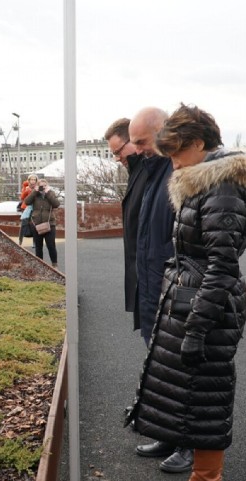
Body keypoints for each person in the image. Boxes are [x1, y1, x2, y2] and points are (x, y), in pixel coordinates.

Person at [129, 103, 246, 481]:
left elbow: (222, 266)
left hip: (206, 312)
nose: (172, 162)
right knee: (195, 404)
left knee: (204, 407)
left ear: (198, 144)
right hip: (195, 305)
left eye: (176, 153)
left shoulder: (223, 187)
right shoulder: (205, 182)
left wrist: (196, 327)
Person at [125, 108, 191, 474]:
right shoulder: (154, 171)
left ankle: (189, 442)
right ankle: (169, 432)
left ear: (163, 133)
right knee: (161, 369)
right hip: (154, 289)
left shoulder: (181, 174)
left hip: (175, 292)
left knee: (183, 371)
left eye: (141, 142)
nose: (136, 149)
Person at [104, 118, 143, 329]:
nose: (118, 158)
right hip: (143, 277)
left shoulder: (149, 172)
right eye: (114, 154)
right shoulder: (136, 173)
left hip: (151, 279)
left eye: (119, 151)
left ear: (133, 140)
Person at [24, 178, 60, 267]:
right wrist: (34, 192)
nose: (42, 188)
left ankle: (54, 264)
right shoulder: (35, 194)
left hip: (49, 223)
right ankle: (40, 265)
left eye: (44, 186)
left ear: (47, 186)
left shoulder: (50, 193)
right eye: (41, 186)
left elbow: (56, 204)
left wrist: (47, 193)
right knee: (38, 246)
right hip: (36, 223)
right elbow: (27, 202)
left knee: (51, 245)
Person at [18, 177, 36, 246]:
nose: (33, 181)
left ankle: (34, 242)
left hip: (35, 208)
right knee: (23, 224)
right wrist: (27, 191)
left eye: (34, 179)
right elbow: (22, 197)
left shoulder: (38, 187)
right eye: (32, 179)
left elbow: (42, 195)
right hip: (26, 208)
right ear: (29, 180)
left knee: (34, 225)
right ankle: (20, 241)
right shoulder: (26, 187)